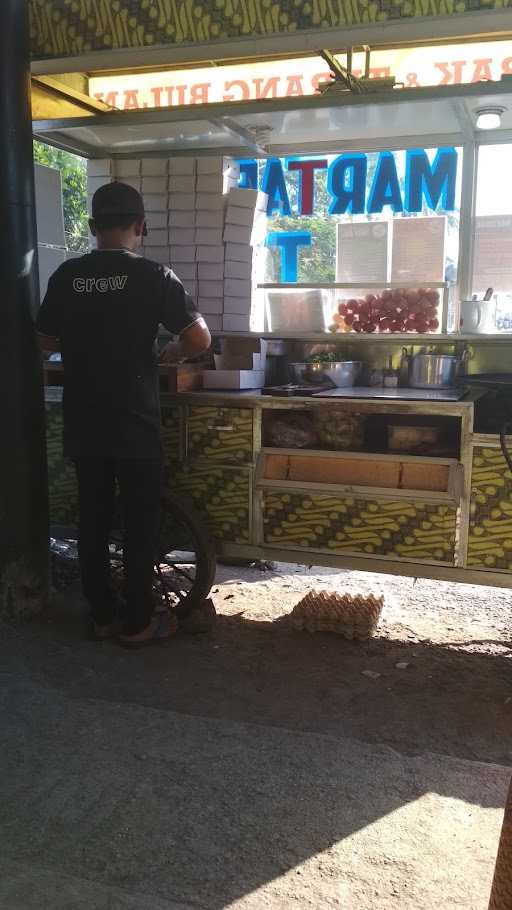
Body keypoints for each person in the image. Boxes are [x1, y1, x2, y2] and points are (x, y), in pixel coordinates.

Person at [36, 181, 211, 647]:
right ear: (140, 226)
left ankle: (102, 617)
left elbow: (45, 342)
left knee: (92, 520)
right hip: (133, 420)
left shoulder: (66, 276)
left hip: (84, 418)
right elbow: (200, 340)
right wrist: (170, 347)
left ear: (92, 227)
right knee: (139, 521)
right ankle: (137, 622)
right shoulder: (156, 276)